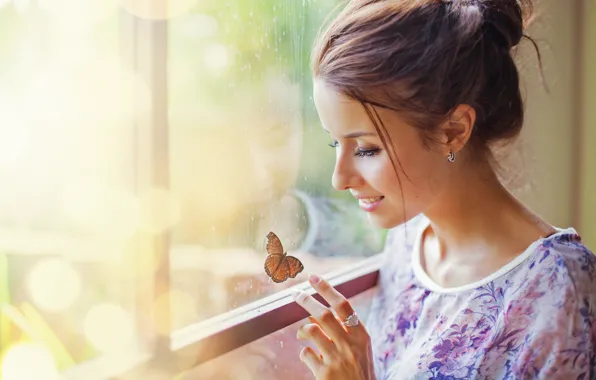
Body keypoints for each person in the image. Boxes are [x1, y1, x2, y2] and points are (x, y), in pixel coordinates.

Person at [290, 0, 596, 379]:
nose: (339, 179)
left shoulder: (557, 288)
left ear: (452, 131)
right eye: (335, 143)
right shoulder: (407, 238)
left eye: (366, 148)